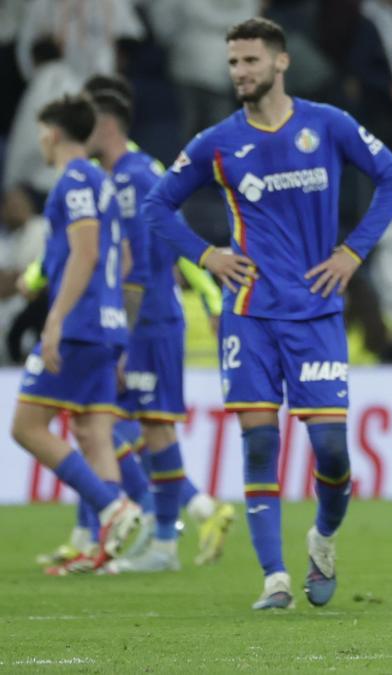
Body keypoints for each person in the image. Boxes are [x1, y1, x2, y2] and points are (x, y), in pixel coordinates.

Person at [141, 17, 392, 609]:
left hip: (316, 314)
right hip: (250, 315)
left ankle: (323, 538)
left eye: (250, 61)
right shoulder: (218, 142)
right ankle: (275, 579)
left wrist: (353, 252)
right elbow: (157, 206)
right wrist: (207, 255)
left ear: (280, 62)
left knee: (332, 453)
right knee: (260, 444)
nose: (239, 72)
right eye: (233, 63)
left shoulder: (327, 124)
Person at [83, 83, 236, 573]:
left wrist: (122, 339)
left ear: (107, 124)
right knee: (128, 425)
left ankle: (163, 531)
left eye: (87, 125)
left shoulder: (135, 178)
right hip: (141, 320)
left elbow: (150, 257)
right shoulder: (126, 174)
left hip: (148, 322)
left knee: (135, 424)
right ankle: (169, 523)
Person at [9, 94, 145, 572]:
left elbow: (85, 253)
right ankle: (102, 549)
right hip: (107, 325)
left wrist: (55, 319)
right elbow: (122, 258)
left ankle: (113, 508)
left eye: (41, 132)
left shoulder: (72, 182)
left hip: (80, 326)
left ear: (51, 133)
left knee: (26, 427)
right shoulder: (103, 181)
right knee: (92, 432)